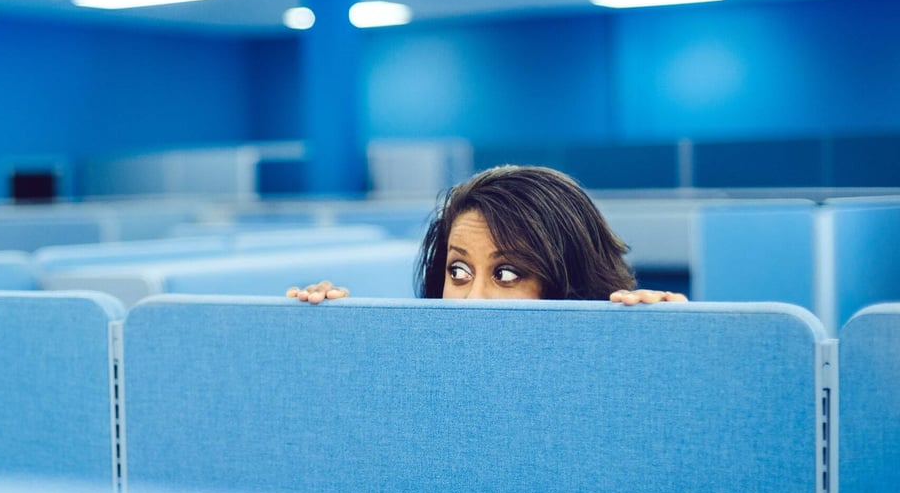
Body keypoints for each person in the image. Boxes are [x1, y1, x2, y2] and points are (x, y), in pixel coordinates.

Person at [287, 164, 687, 305]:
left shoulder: (604, 376)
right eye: (458, 271)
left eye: (507, 274)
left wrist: (653, 343)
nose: (471, 298)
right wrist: (329, 334)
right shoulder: (424, 370)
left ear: (570, 282)